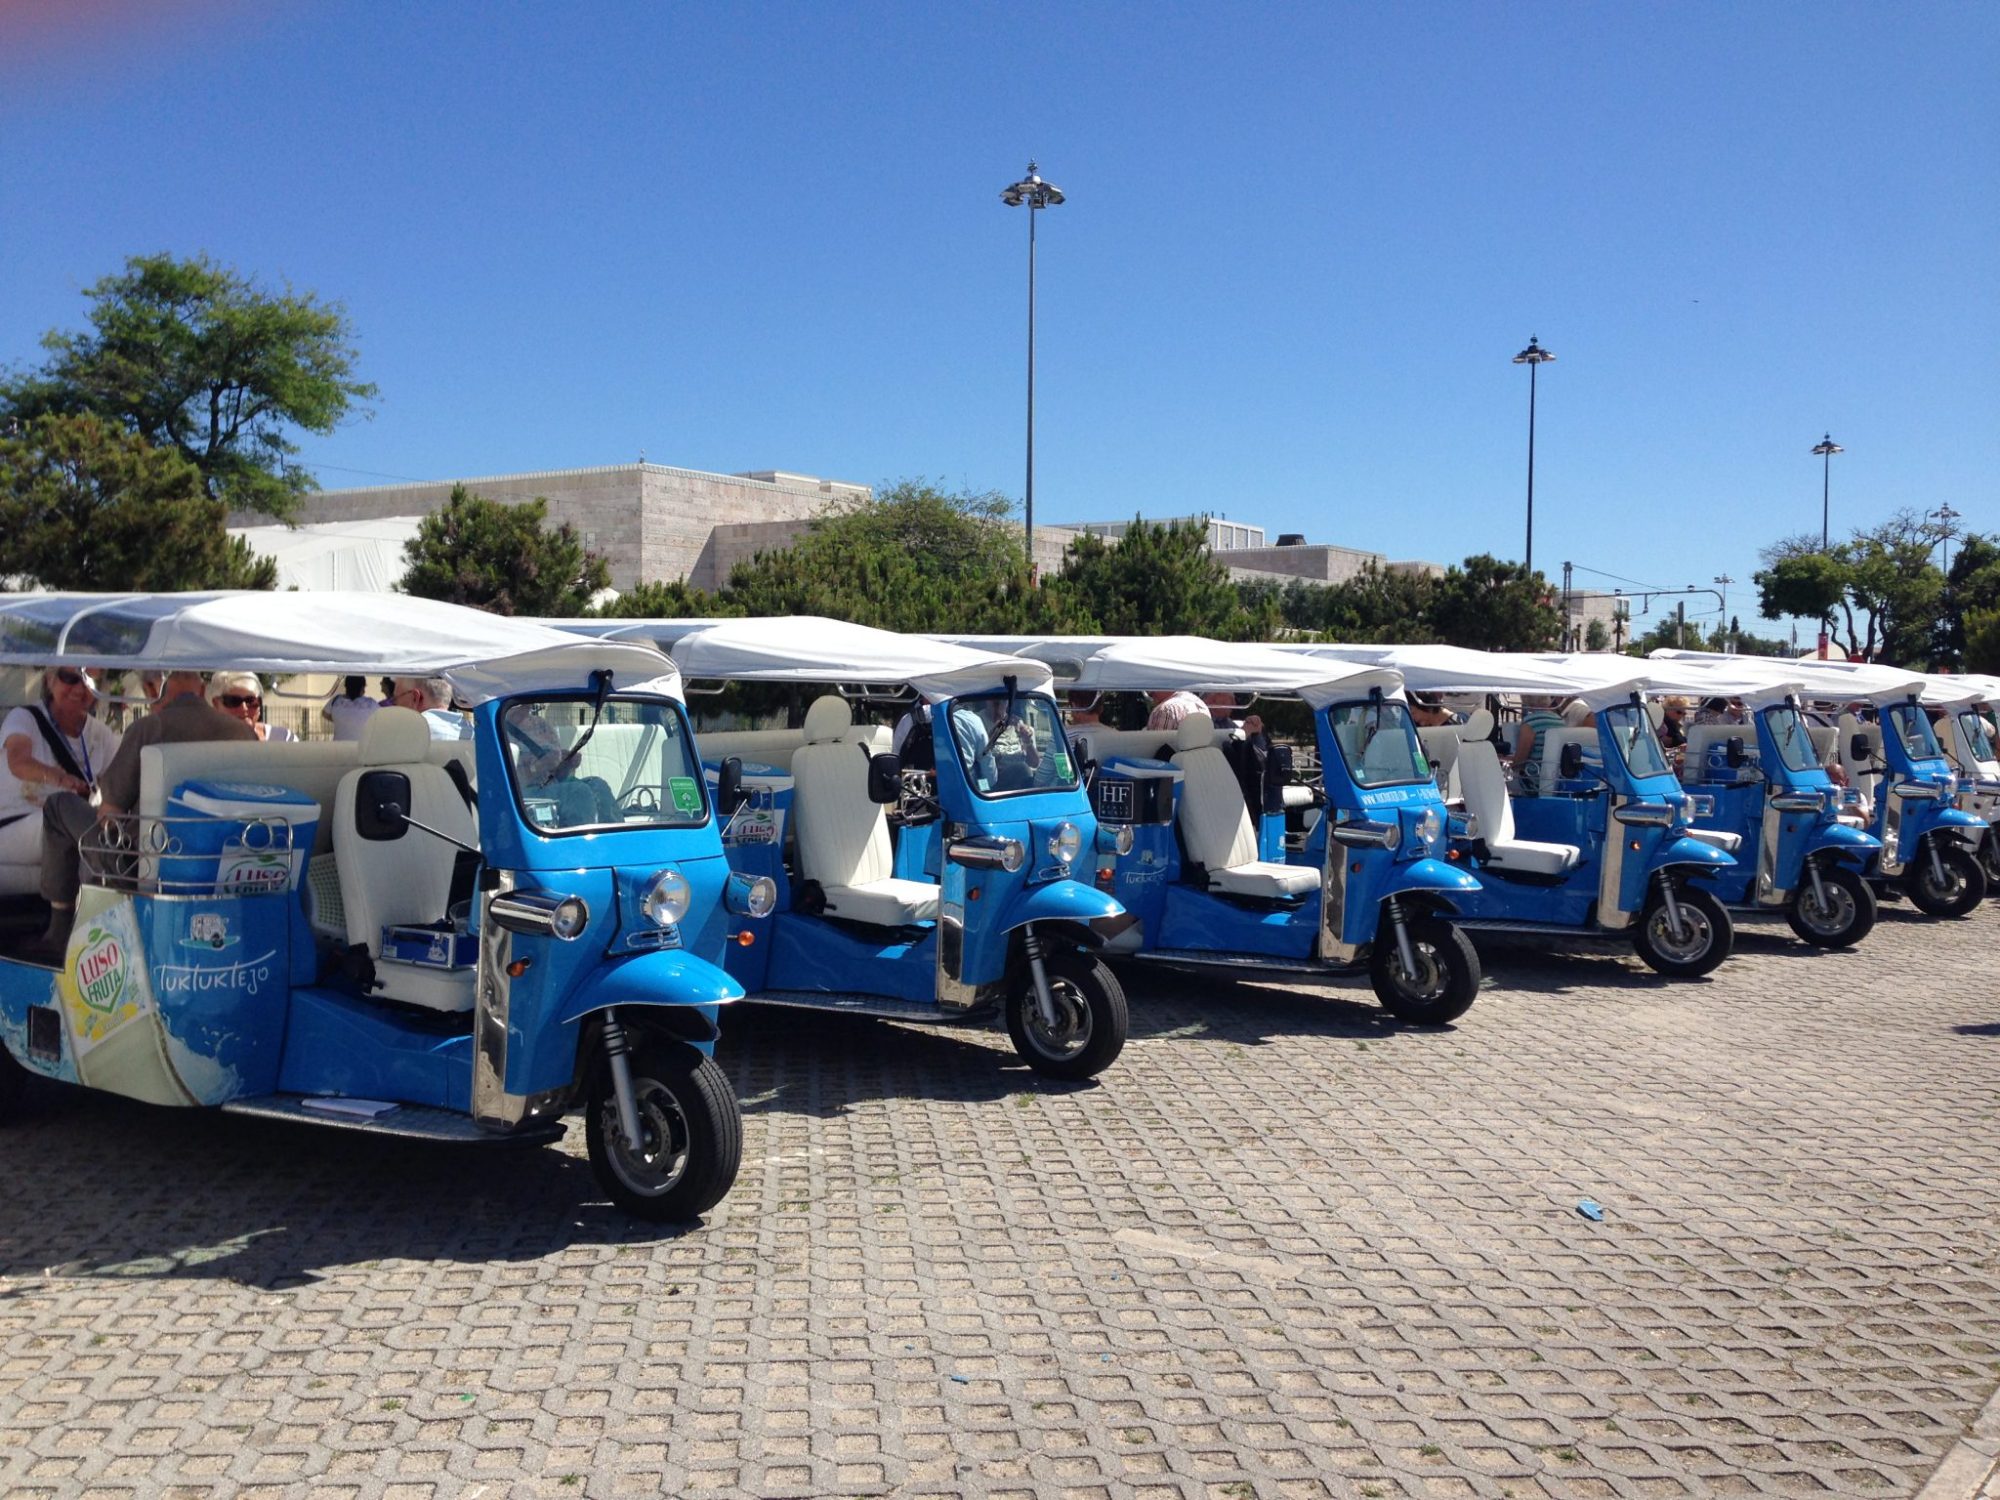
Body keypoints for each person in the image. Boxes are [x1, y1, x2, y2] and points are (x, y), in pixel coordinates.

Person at [31, 671, 255, 958]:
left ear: (153, 691)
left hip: (141, 867)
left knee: (59, 807)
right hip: (222, 861)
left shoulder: (149, 729)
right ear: (201, 693)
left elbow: (109, 817)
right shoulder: (243, 734)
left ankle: (59, 927)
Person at [1, 668, 123, 891]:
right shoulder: (24, 718)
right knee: (65, 812)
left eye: (90, 680)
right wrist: (60, 779)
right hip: (14, 823)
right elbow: (18, 762)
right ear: (50, 680)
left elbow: (122, 785)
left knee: (89, 826)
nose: (80, 688)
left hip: (73, 827)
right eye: (70, 678)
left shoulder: (101, 735)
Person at [208, 670, 294, 742]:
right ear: (216, 704)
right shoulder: (203, 743)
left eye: (251, 701)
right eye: (233, 701)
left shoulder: (282, 738)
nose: (244, 708)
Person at [1511, 696, 1566, 796]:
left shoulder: (1531, 722)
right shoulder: (1559, 720)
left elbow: (1520, 760)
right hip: (1557, 779)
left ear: (1527, 702)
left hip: (1534, 781)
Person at [394, 675, 469, 740]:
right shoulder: (471, 731)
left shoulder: (408, 731)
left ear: (416, 698)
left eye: (395, 699)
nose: (394, 705)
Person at [324, 675, 381, 743]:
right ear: (362, 687)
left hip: (338, 748)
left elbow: (325, 714)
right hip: (361, 748)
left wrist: (341, 720)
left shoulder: (336, 701)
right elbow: (381, 718)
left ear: (346, 686)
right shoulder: (371, 703)